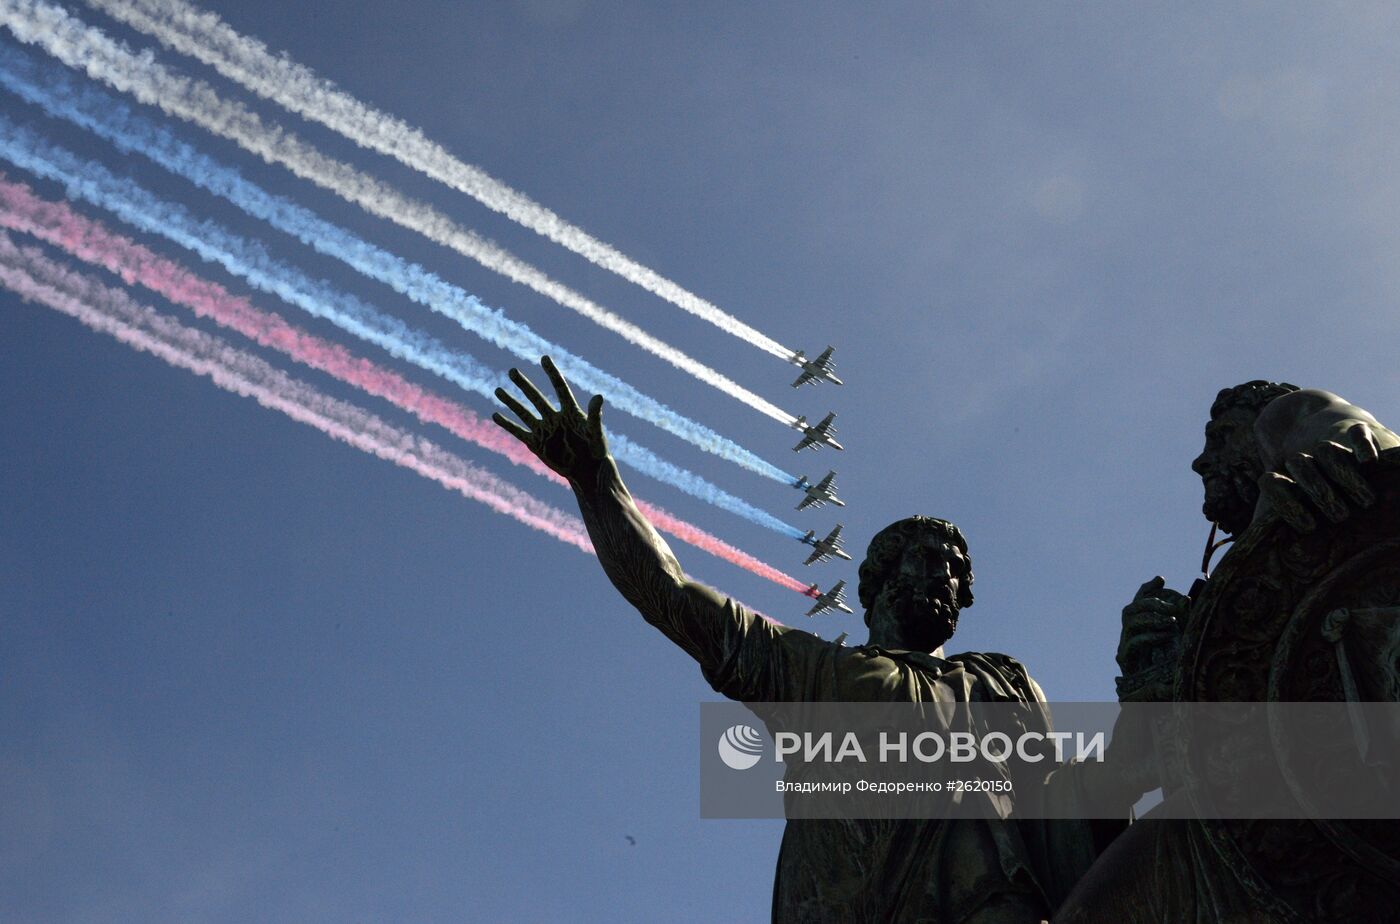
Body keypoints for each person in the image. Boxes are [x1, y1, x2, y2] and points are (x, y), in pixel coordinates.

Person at [494, 358, 1142, 923]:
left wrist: (1140, 746)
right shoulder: (813, 675)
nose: (943, 575)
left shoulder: (1003, 681)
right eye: (924, 559)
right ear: (879, 583)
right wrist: (596, 483)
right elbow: (669, 594)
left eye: (955, 569)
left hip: (999, 904)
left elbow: (1056, 800)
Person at [1055, 381, 1400, 923]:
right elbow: (1137, 772)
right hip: (1246, 835)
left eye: (1220, 438)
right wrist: (1147, 681)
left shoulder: (1290, 428)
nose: (1200, 462)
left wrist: (1344, 451)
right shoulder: (1212, 603)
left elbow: (1347, 431)